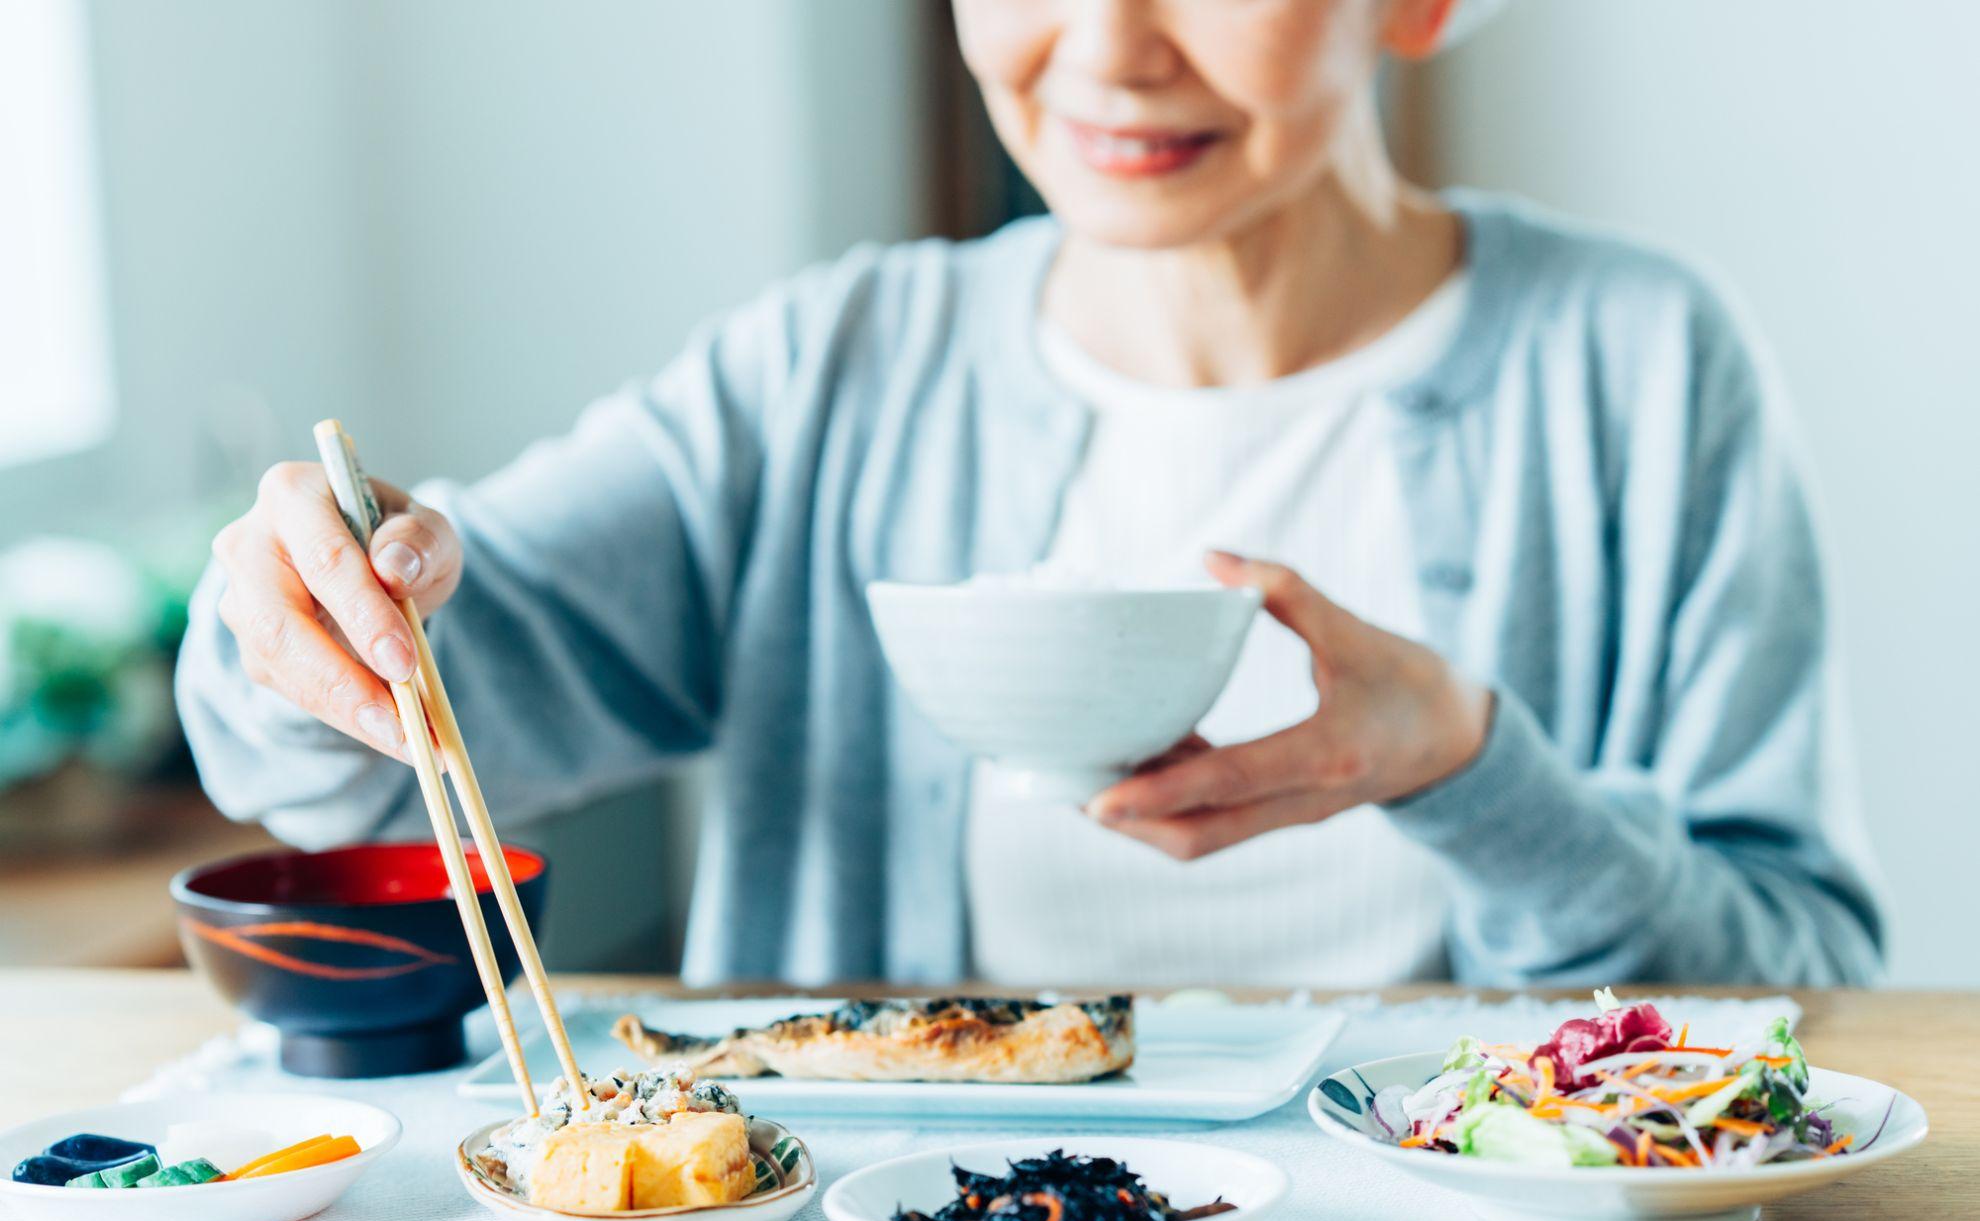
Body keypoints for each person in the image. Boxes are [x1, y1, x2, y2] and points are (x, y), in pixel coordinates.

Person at [176, 0, 1882, 988]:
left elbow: (1810, 992)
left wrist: (1470, 768)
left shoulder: (1638, 367)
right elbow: (383, 766)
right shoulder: (836, 370)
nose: (1113, 48)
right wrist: (304, 614)